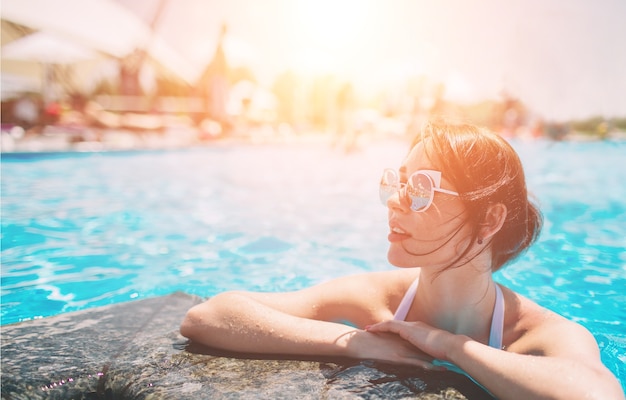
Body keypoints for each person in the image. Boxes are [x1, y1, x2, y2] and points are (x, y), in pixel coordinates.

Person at [181, 121, 624, 399]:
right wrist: (357, 343)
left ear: (488, 219)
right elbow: (210, 315)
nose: (395, 202)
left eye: (421, 190)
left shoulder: (537, 334)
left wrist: (450, 346)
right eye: (398, 184)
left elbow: (596, 394)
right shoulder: (375, 300)